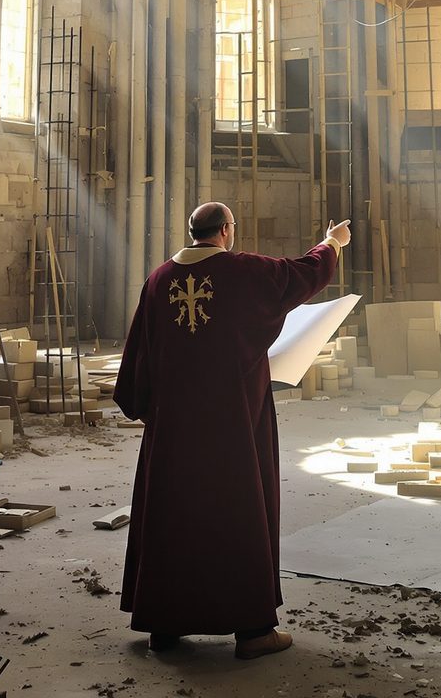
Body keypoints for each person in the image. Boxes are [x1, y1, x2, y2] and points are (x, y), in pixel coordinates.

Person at [113, 203, 351, 659]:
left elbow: (138, 357)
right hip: (232, 427)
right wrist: (332, 242)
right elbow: (300, 274)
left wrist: (151, 410)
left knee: (173, 518)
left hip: (174, 432)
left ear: (192, 232)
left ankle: (165, 626)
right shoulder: (243, 271)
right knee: (236, 514)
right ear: (226, 231)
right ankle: (253, 630)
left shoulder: (158, 280)